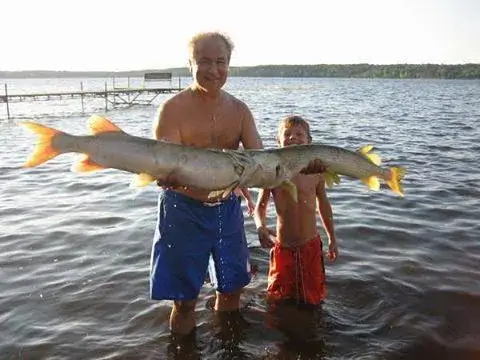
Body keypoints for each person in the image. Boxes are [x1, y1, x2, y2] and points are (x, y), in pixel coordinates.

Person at [150, 31, 264, 336]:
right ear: (190, 64)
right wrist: (166, 176)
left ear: (229, 64)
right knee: (184, 300)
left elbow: (260, 161)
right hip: (183, 209)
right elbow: (164, 166)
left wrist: (304, 167)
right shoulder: (172, 109)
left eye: (220, 62)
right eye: (204, 61)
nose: (213, 70)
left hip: (227, 209)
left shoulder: (240, 111)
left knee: (232, 289)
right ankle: (184, 352)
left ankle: (228, 346)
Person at [254, 115, 338, 307]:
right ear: (278, 142)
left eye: (299, 134)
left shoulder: (316, 172)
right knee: (277, 299)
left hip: (310, 246)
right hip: (284, 247)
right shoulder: (273, 173)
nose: (292, 137)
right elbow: (260, 207)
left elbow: (323, 204)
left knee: (313, 299)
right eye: (287, 134)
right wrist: (261, 227)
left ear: (309, 142)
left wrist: (332, 238)